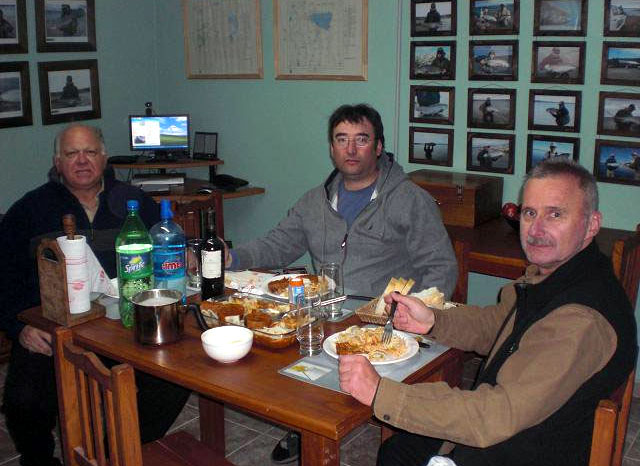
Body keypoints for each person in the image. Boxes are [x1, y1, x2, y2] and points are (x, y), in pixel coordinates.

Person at [339, 158, 638, 466]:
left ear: (591, 225)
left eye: (556, 214)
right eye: (529, 213)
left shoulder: (580, 318)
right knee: (397, 449)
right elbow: (500, 324)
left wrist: (379, 393)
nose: (536, 229)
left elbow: (494, 416)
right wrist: (433, 320)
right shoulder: (558, 274)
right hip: (520, 430)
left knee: (400, 449)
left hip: (523, 449)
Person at [226, 103, 458, 463]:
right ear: (331, 147)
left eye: (361, 139)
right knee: (268, 346)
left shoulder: (411, 200)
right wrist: (231, 258)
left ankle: (389, 428)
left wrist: (418, 317)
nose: (351, 150)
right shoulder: (314, 201)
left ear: (378, 147)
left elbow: (441, 268)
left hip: (384, 320)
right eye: (342, 140)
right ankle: (305, 420)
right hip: (327, 312)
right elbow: (277, 244)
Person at [0, 124, 191, 466]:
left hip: (126, 324)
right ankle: (39, 459)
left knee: (175, 378)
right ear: (58, 162)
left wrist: (184, 256)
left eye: (90, 152)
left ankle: (112, 452)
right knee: (23, 400)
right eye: (72, 154)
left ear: (104, 157)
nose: (82, 161)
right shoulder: (28, 211)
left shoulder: (136, 204)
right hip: (53, 328)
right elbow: (3, 278)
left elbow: (168, 253)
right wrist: (18, 329)